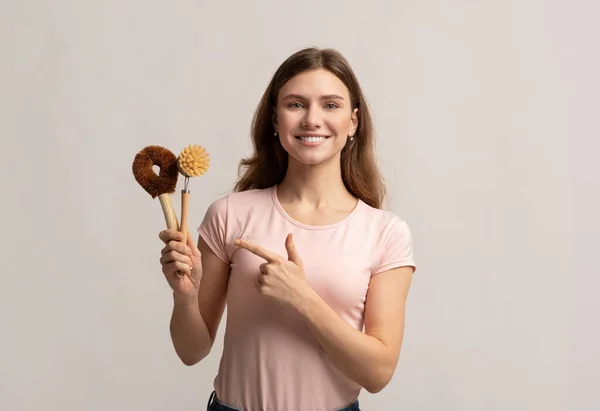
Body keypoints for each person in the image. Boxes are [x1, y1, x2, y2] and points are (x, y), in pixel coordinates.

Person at [158, 47, 416, 411]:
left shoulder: (385, 232)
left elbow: (378, 374)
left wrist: (303, 298)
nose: (312, 119)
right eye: (296, 104)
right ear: (275, 120)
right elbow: (191, 350)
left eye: (330, 105)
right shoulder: (229, 214)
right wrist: (184, 295)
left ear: (353, 122)